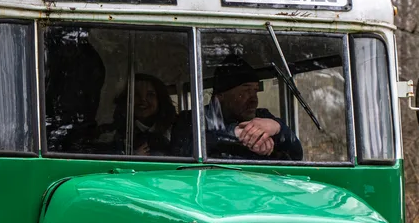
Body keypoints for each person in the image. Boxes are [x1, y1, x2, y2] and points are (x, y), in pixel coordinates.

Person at [172, 57, 303, 160]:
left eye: (255, 91)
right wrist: (236, 134)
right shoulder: (192, 119)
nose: (253, 100)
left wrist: (278, 128)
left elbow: (296, 154)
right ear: (220, 96)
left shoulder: (262, 118)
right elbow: (182, 152)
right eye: (245, 91)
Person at [103, 74, 179, 156]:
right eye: (136, 94)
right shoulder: (116, 133)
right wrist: (133, 156)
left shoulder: (176, 129)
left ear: (160, 99)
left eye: (150, 94)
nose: (143, 100)